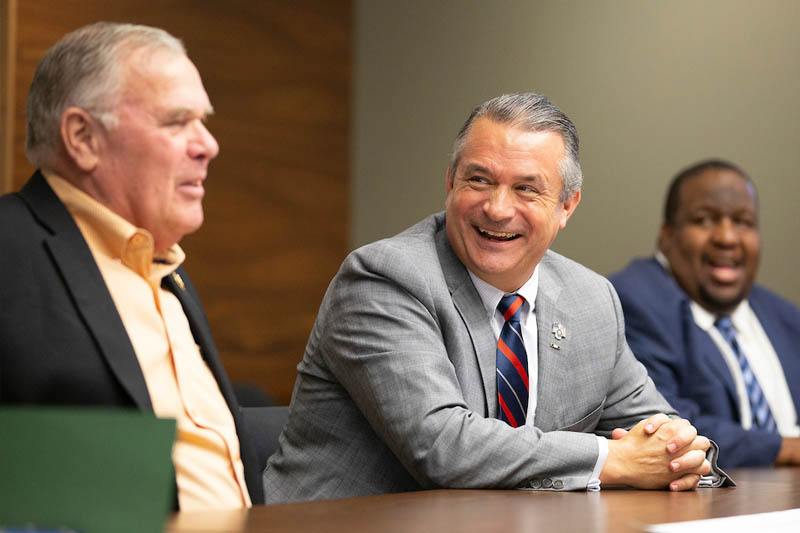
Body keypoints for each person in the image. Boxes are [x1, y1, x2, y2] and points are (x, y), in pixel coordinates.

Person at [263, 92, 713, 503]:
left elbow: (655, 427)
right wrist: (610, 459)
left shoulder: (591, 299)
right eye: (479, 180)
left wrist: (681, 452)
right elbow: (443, 447)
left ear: (567, 207)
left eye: (526, 188)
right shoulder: (384, 279)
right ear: (450, 183)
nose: (497, 208)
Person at [0, 22, 263, 509]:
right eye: (176, 121)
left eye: (203, 121)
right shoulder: (11, 247)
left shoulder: (167, 272)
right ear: (83, 137)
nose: (208, 145)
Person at [610, 160, 800, 468]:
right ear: (667, 236)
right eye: (704, 220)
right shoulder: (631, 302)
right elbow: (665, 423)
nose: (727, 237)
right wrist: (787, 449)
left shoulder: (783, 316)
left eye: (743, 221)